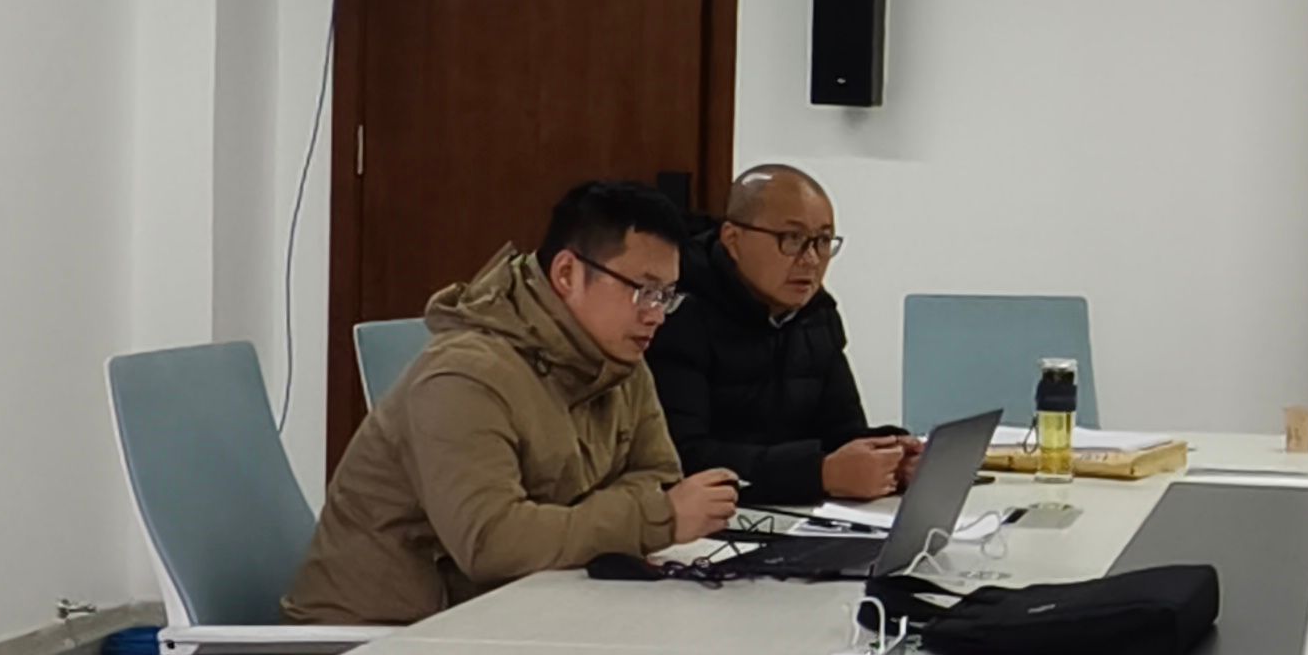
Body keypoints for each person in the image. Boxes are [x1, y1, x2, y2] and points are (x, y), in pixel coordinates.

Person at [287, 180, 744, 624]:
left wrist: (557, 525)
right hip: (380, 642)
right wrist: (655, 518)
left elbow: (658, 478)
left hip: (514, 618)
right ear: (566, 274)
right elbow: (492, 542)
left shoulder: (621, 362)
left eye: (666, 296)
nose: (656, 315)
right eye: (643, 291)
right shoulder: (464, 376)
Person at [647, 163, 921, 508]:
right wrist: (818, 473)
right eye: (792, 239)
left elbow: (841, 433)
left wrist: (891, 455)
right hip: (713, 521)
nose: (811, 260)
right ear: (733, 239)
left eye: (823, 241)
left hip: (799, 514)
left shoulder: (817, 314)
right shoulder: (677, 315)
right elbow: (682, 457)